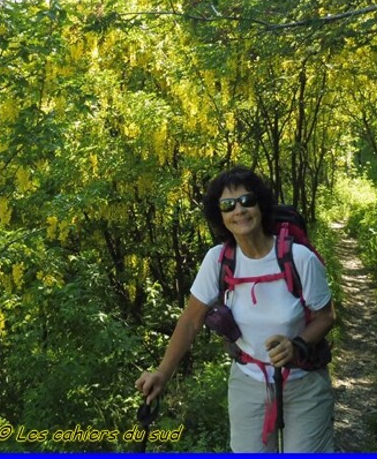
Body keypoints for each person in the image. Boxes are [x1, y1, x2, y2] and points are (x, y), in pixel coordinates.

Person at [135, 166, 335, 452]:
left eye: (246, 201)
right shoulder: (218, 260)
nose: (239, 210)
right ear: (221, 217)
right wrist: (162, 374)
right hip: (248, 383)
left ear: (261, 205)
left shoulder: (298, 257)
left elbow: (327, 316)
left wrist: (297, 345)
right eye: (228, 205)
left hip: (304, 383)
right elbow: (191, 321)